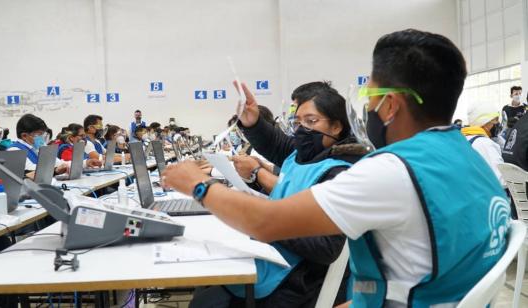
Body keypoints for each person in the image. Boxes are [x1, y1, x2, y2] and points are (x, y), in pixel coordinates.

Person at [162, 29, 509, 307]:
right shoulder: (468, 156)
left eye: (370, 95)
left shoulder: (392, 171)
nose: (368, 107)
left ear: (390, 105)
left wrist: (199, 185)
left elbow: (265, 223)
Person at [191, 83, 365, 308]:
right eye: (298, 121)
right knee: (209, 283)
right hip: (277, 261)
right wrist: (252, 120)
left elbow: (327, 248)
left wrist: (266, 222)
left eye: (311, 121)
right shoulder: (305, 156)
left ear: (336, 127)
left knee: (208, 301)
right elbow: (275, 142)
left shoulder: (338, 173)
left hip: (299, 282)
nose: (302, 129)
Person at [461, 105, 505, 187]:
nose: (497, 124)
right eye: (495, 120)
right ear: (485, 122)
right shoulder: (484, 143)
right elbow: (500, 180)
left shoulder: (463, 138)